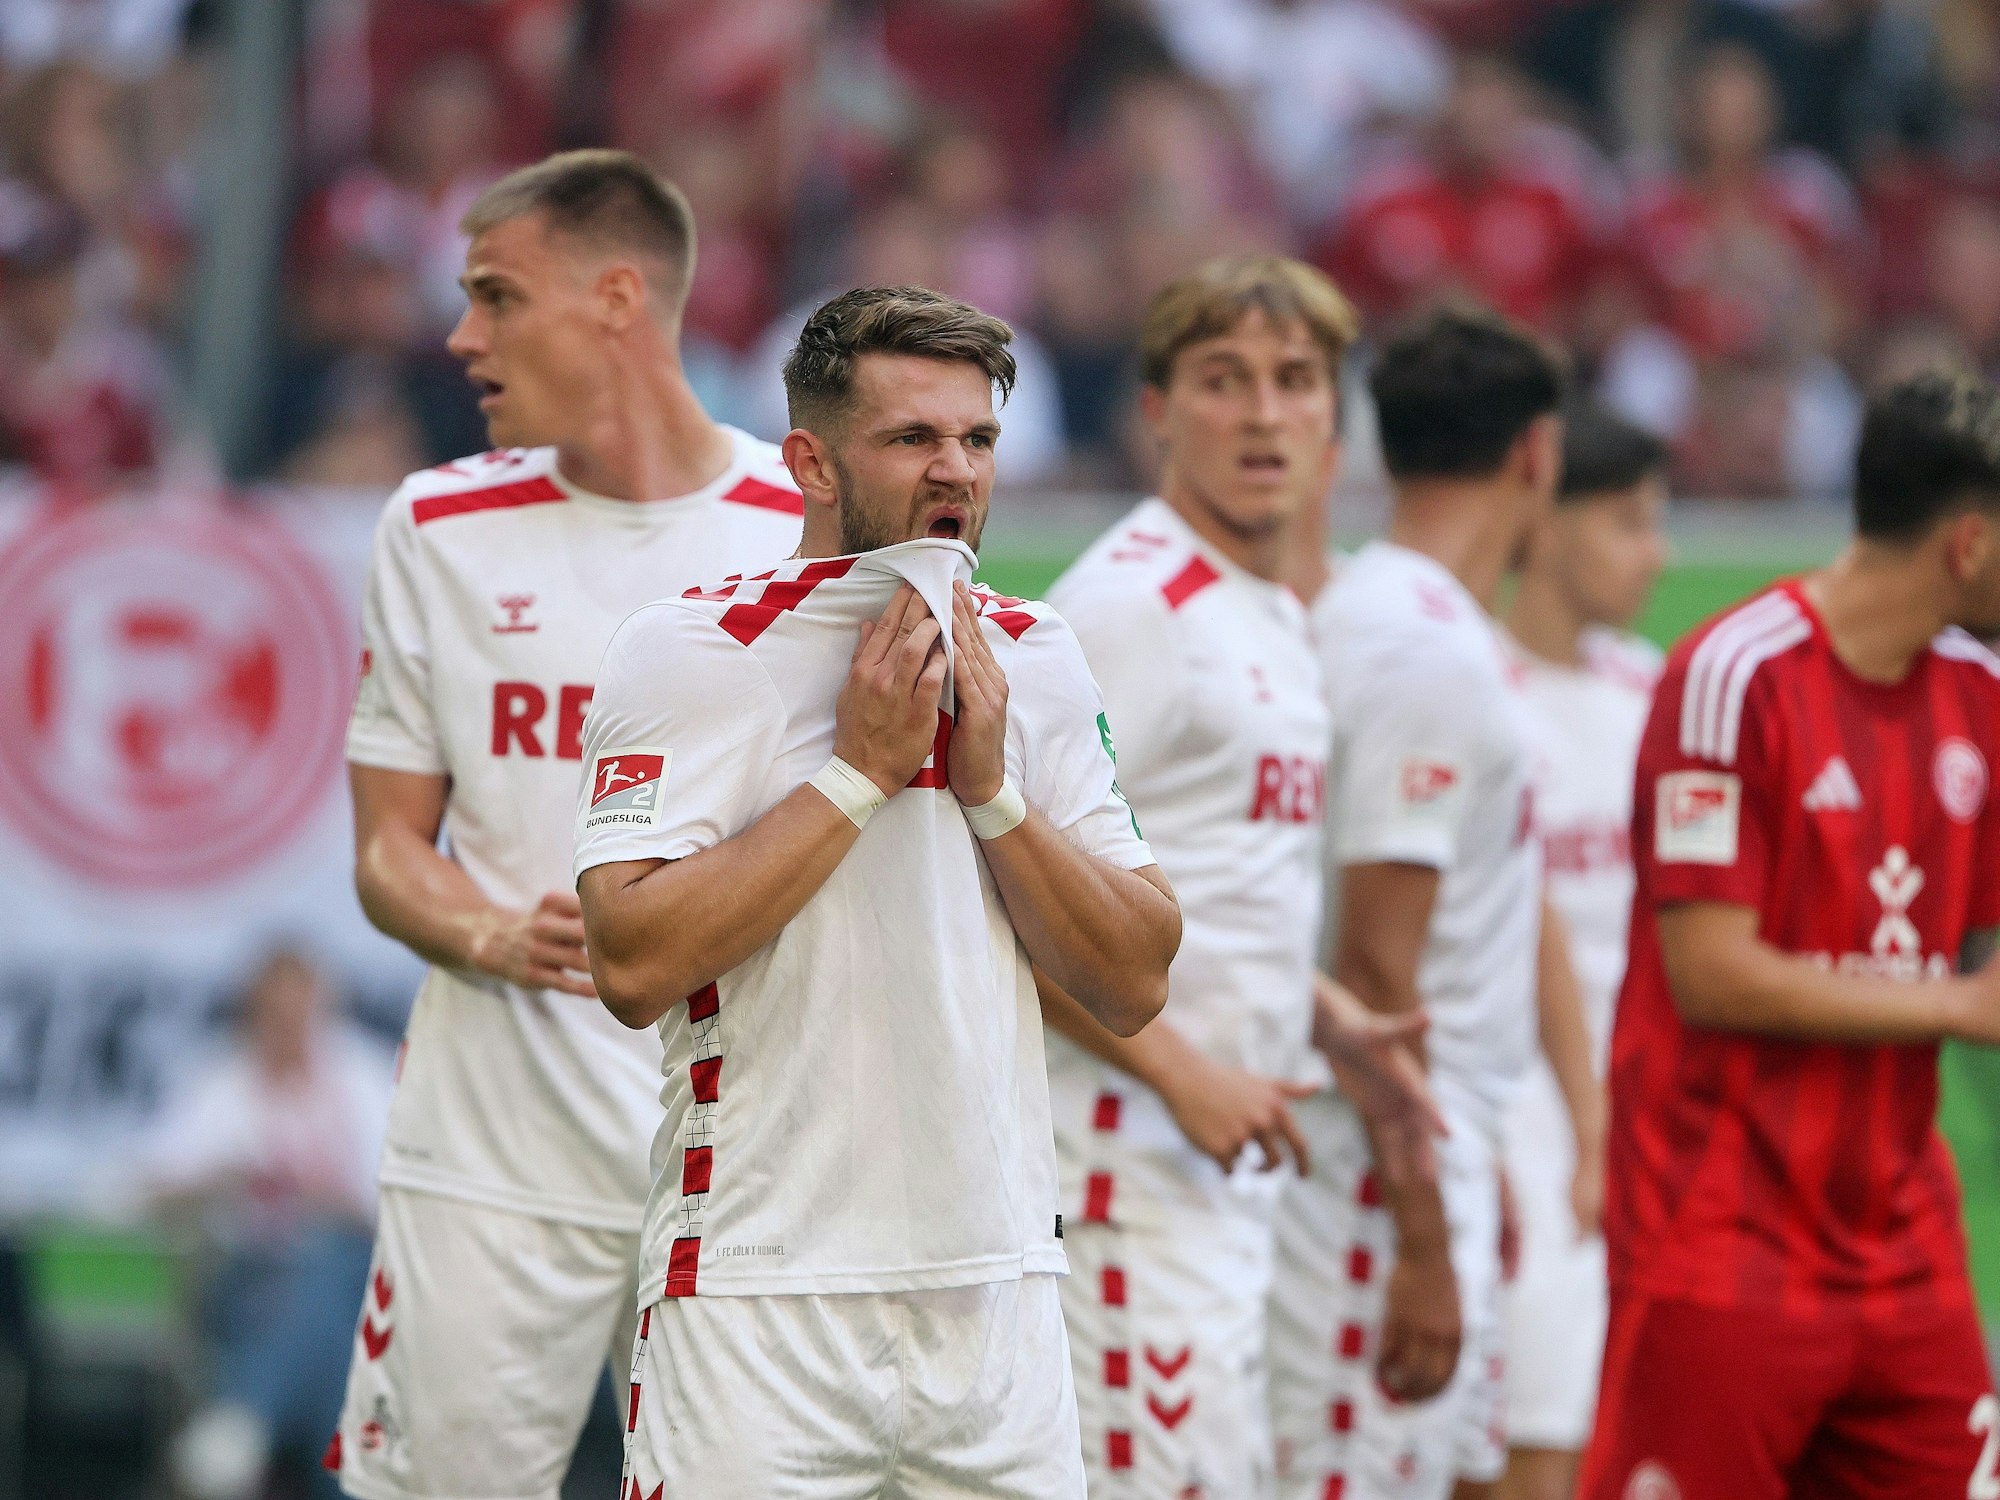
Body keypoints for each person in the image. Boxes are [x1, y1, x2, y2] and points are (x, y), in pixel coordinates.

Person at [572, 285, 1182, 1497]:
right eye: (911, 438)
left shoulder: (1035, 654)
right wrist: (855, 775)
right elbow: (630, 964)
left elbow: (1134, 976)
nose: (952, 469)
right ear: (809, 461)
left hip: (998, 1299)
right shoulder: (690, 652)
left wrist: (993, 796)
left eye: (976, 439)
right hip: (755, 1295)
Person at [330, 149, 804, 1500]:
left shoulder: (801, 535)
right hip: (490, 1158)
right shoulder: (438, 524)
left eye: (495, 296)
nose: (459, 336)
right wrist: (490, 926)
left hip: (738, 1163)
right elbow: (382, 850)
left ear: (614, 300)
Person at [1037, 254, 1443, 1499]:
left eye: (1294, 381)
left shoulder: (1258, 608)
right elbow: (999, 883)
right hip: (1113, 1162)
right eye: (1223, 381)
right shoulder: (1130, 607)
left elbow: (1187, 878)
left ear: (1333, 416)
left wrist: (1321, 1017)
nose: (1264, 414)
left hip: (1216, 1169)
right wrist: (1185, 1073)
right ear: (1155, 408)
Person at [1580, 370, 2000, 1497]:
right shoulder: (1731, 675)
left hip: (1906, 1254)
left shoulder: (1979, 695)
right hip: (1719, 1243)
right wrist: (1955, 1006)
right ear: (1964, 544)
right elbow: (1709, 973)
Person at [1269, 306, 1579, 1500]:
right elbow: (1379, 972)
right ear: (1535, 455)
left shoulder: (1387, 619)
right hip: (1370, 1176)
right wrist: (1424, 1237)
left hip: (1409, 1150)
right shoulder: (1419, 651)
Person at [1494, 403, 1669, 1500]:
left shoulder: (1651, 691)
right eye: (1626, 522)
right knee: (1533, 1438)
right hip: (1519, 1114)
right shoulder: (1476, 692)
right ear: (1545, 523)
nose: (1654, 554)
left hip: (1652, 1107)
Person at [143, 949, 391, 1500]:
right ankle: (337, 1477)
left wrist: (324, 1199)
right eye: (271, 1014)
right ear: (252, 1014)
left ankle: (243, 1417)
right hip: (246, 1275)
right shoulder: (220, 1080)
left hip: (356, 1270)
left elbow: (398, 1210)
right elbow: (151, 1189)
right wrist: (221, 1179)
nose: (284, 1027)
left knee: (324, 1276)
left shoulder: (363, 1075)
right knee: (329, 1339)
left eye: (296, 1013)